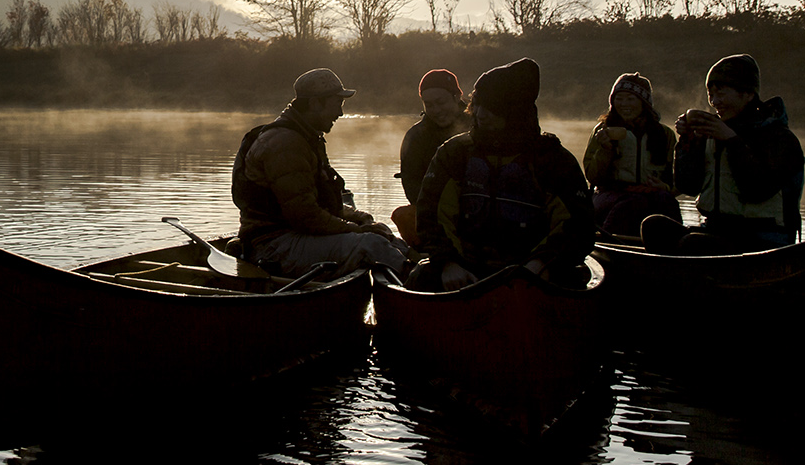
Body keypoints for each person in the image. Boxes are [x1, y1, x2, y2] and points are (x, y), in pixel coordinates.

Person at [412, 57, 595, 291]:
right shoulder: (454, 153)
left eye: (492, 106)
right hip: (464, 269)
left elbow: (578, 226)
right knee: (421, 278)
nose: (481, 114)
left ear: (515, 109)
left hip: (537, 272)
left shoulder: (554, 160)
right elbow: (430, 214)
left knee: (573, 282)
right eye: (478, 104)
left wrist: (541, 263)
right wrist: (448, 263)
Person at [232, 68, 410, 279]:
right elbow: (305, 216)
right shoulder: (285, 144)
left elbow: (318, 203)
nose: (340, 113)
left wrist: (360, 219)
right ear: (316, 103)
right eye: (338, 103)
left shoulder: (305, 137)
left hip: (293, 237)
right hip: (273, 247)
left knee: (383, 234)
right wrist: (357, 230)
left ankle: (417, 270)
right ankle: (418, 286)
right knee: (370, 244)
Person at [661, 54, 805, 254]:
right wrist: (689, 141)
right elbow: (689, 186)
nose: (715, 102)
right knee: (655, 227)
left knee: (693, 244)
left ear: (748, 94)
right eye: (711, 94)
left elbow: (757, 191)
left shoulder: (779, 137)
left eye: (721, 93)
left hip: (763, 237)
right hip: (717, 230)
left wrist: (732, 141)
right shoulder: (712, 132)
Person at [582, 72, 679, 237]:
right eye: (619, 99)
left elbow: (677, 178)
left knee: (666, 200)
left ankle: (674, 245)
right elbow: (593, 176)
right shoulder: (604, 130)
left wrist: (666, 187)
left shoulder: (664, 134)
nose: (624, 104)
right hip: (609, 195)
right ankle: (609, 242)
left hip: (650, 193)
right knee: (634, 203)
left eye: (630, 99)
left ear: (644, 102)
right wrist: (605, 149)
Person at [391, 69, 467, 243]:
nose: (436, 110)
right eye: (429, 105)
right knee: (403, 216)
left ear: (456, 96)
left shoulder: (479, 124)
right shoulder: (415, 137)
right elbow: (412, 186)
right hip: (435, 211)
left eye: (441, 102)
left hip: (477, 208)